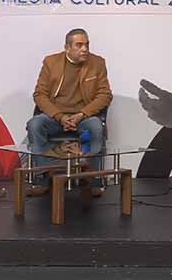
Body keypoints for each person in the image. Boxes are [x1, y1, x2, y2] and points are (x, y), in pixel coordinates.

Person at [25, 28, 113, 198]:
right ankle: (45, 178)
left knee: (95, 127)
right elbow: (39, 94)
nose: (85, 49)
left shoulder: (97, 63)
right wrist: (60, 116)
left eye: (87, 44)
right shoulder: (51, 62)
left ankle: (91, 180)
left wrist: (81, 114)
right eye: (79, 45)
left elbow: (105, 95)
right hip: (56, 118)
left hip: (83, 119)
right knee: (35, 125)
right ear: (67, 48)